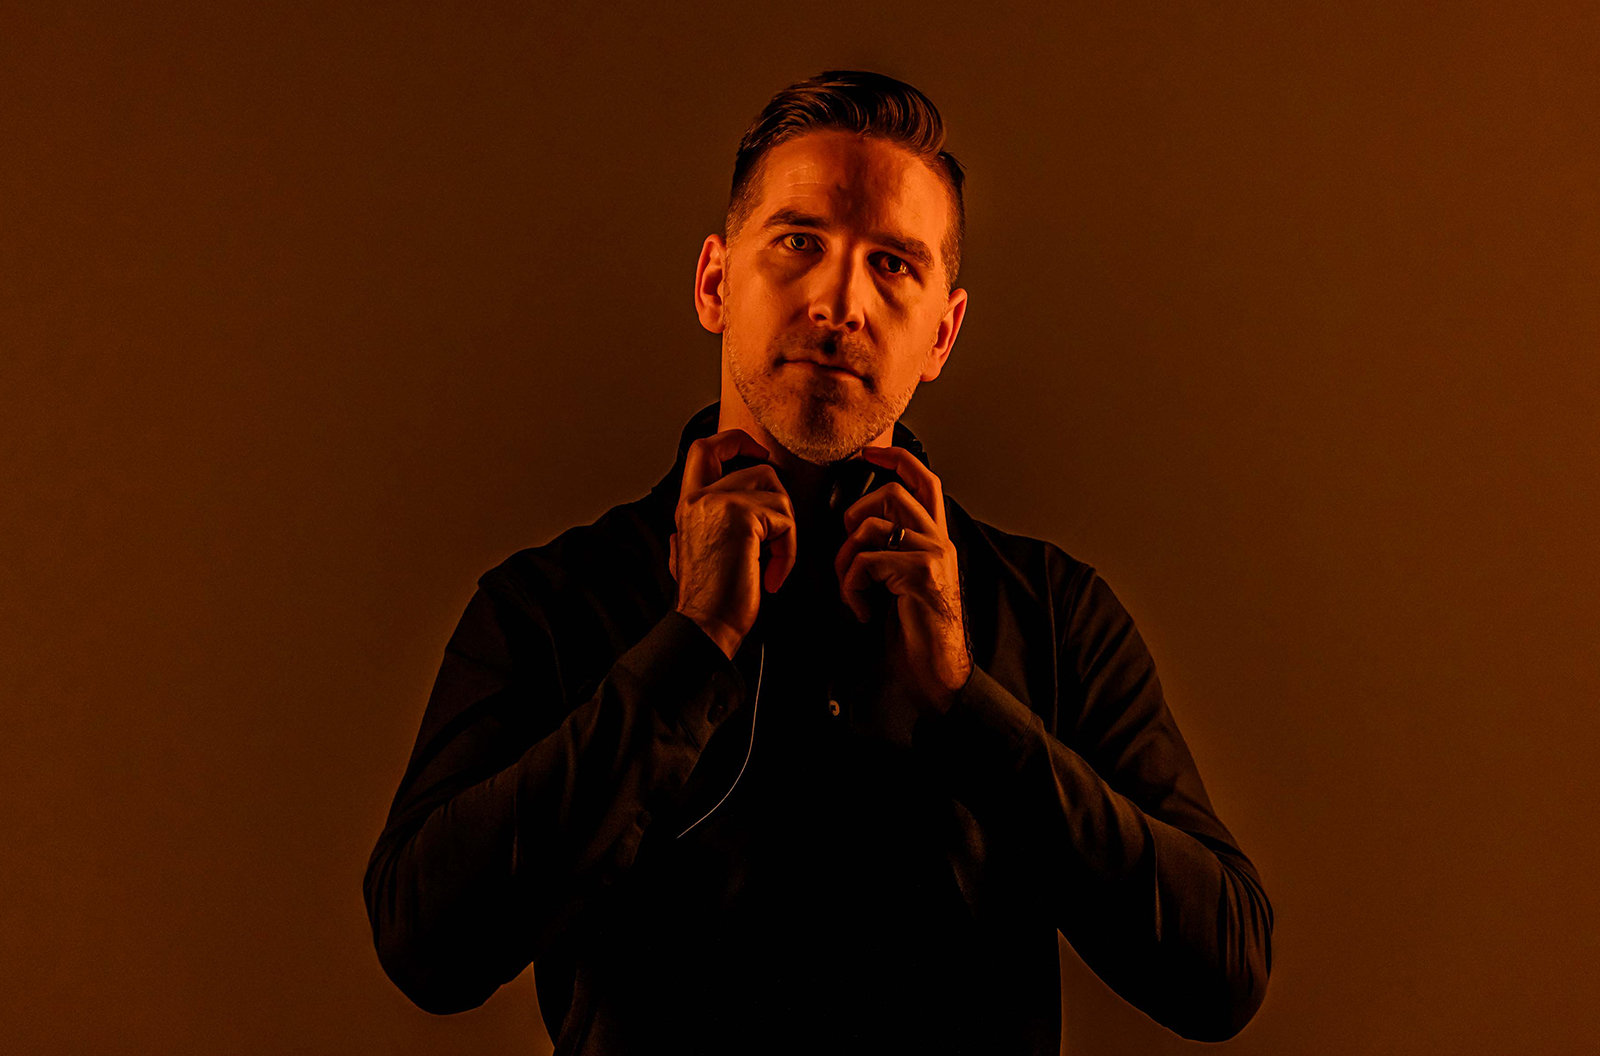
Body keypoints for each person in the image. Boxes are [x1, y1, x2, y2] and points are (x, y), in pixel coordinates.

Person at [364, 70, 1273, 1054]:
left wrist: (965, 704)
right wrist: (688, 649)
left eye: (892, 265)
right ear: (715, 284)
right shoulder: (549, 605)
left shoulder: (1052, 612)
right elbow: (427, 947)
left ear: (942, 334)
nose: (840, 301)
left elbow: (1222, 973)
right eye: (800, 243)